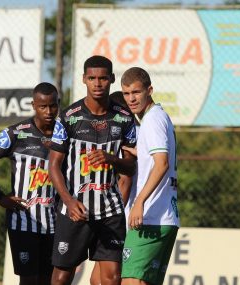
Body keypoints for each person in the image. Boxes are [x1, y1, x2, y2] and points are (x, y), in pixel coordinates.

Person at [49, 55, 137, 285]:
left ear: (112, 80)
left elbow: (131, 166)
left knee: (112, 278)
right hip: (76, 209)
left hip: (110, 211)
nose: (97, 84)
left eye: (103, 78)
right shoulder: (68, 117)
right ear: (83, 80)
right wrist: (68, 202)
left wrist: (111, 159)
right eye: (92, 78)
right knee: (61, 277)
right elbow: (54, 165)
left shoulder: (124, 118)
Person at [0, 82, 59, 285]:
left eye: (53, 106)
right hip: (23, 220)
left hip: (56, 222)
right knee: (29, 280)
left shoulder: (65, 134)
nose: (48, 111)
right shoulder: (16, 133)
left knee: (49, 280)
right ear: (33, 105)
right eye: (42, 106)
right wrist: (0, 197)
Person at [120, 67, 179, 285]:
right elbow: (158, 157)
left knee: (131, 282)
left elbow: (161, 163)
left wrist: (139, 202)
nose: (131, 99)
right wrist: (140, 152)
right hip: (166, 216)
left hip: (150, 217)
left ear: (149, 90)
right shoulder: (159, 116)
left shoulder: (152, 120)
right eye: (126, 94)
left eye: (136, 92)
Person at [90, 91, 139, 285]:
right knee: (97, 279)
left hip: (121, 216)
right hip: (119, 213)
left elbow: (126, 181)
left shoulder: (127, 133)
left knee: (108, 279)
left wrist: (111, 215)